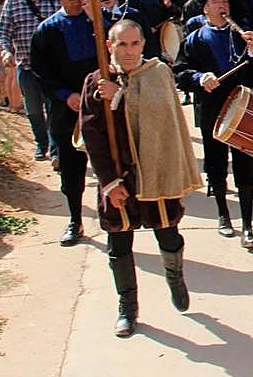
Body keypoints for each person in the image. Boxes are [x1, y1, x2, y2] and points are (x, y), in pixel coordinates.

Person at [79, 20, 202, 337]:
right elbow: (92, 134)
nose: (129, 51)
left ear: (144, 45)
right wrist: (109, 182)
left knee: (168, 234)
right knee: (119, 243)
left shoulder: (157, 73)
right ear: (110, 47)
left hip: (155, 170)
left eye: (135, 44)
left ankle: (175, 278)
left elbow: (162, 114)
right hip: (120, 179)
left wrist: (122, 97)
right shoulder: (96, 81)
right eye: (122, 45)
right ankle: (128, 308)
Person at [174, 0, 253, 249]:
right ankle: (223, 214)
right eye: (216, 1)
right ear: (206, 8)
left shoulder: (242, 35)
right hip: (212, 108)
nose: (222, 6)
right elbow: (180, 73)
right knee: (217, 164)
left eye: (225, 2)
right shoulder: (195, 39)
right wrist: (200, 78)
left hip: (244, 109)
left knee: (245, 164)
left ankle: (247, 225)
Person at [30, 0, 110, 244]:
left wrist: (95, 18)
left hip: (102, 104)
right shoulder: (47, 31)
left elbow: (118, 46)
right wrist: (66, 95)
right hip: (67, 109)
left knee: (109, 162)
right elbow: (41, 73)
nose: (77, 3)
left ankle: (111, 217)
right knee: (72, 167)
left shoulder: (99, 23)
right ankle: (75, 219)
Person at [0, 0, 60, 159]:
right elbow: (3, 31)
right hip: (26, 65)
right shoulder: (13, 1)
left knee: (54, 108)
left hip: (53, 67)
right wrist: (6, 51)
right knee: (33, 109)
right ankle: (41, 144)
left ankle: (55, 148)